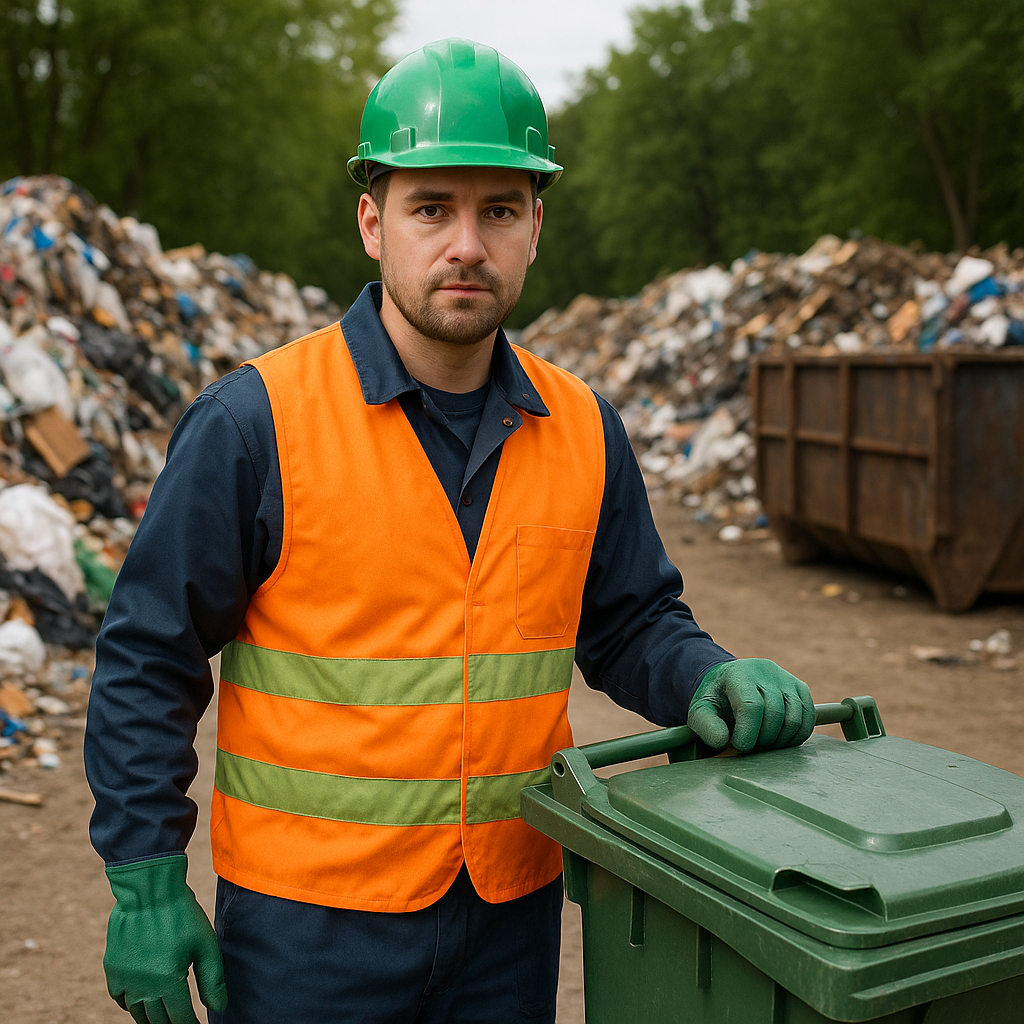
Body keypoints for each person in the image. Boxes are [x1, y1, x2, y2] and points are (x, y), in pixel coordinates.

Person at [84, 37, 815, 1024]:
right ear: (372, 223)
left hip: (508, 917)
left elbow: (631, 621)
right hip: (308, 928)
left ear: (535, 229)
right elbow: (147, 651)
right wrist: (144, 878)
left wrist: (705, 674)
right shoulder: (257, 422)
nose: (466, 243)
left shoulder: (584, 427)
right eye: (432, 208)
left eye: (497, 210)